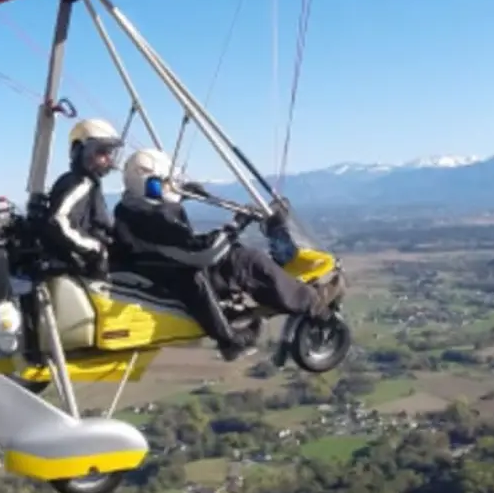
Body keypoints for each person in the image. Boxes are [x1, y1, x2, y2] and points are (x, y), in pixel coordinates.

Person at [112, 148, 340, 361]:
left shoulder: (128, 207)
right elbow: (203, 254)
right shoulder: (154, 219)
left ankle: (269, 299)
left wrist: (183, 193)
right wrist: (236, 225)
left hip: (163, 270)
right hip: (179, 277)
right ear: (149, 185)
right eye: (162, 183)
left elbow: (170, 237)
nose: (166, 188)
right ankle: (313, 304)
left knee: (235, 253)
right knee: (248, 261)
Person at [43, 118, 123, 277]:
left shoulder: (90, 183)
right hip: (75, 271)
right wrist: (95, 249)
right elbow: (59, 221)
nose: (108, 159)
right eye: (101, 152)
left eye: (109, 153)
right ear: (80, 151)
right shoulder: (80, 183)